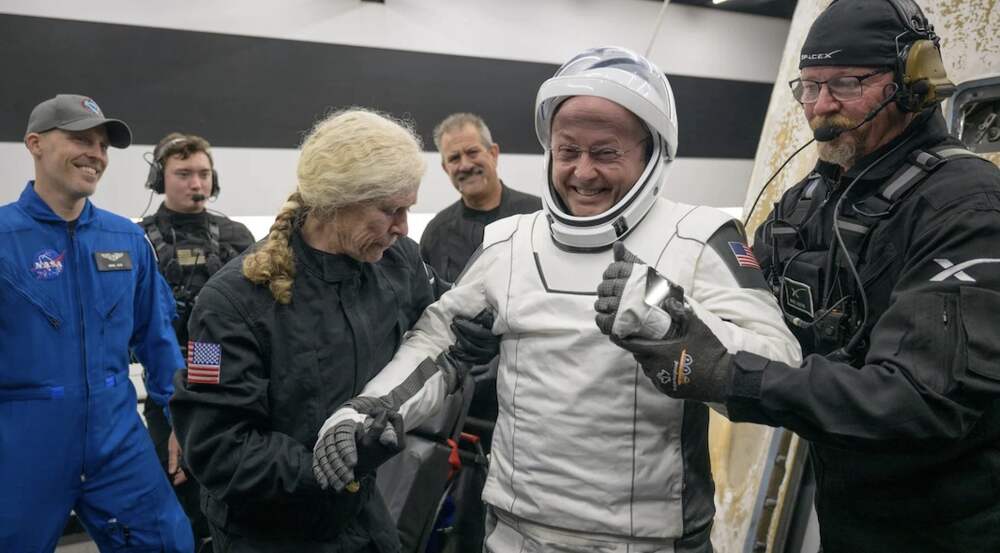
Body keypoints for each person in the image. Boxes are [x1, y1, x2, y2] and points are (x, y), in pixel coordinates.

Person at [315, 47, 800, 552]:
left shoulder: (699, 237)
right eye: (568, 152)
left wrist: (672, 315)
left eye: (606, 153)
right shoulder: (508, 242)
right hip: (516, 532)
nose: (583, 173)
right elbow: (438, 345)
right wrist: (364, 412)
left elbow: (781, 369)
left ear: (652, 154)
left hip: (651, 541)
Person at [594, 2, 1000, 552]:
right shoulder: (813, 197)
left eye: (846, 84)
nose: (821, 107)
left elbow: (916, 402)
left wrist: (732, 377)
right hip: (847, 513)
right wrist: (663, 300)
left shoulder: (966, 207)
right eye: (808, 87)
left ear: (912, 82)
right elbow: (745, 300)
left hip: (951, 528)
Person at [169, 108, 495, 553]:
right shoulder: (226, 305)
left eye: (407, 209)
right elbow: (217, 448)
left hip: (360, 512)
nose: (402, 227)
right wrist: (333, 464)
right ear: (335, 202)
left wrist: (472, 335)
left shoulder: (396, 262)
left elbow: (439, 327)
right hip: (270, 532)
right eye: (391, 210)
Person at [0, 94, 193, 551]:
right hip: (22, 442)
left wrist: (184, 421)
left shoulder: (126, 238)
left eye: (103, 145)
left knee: (168, 542)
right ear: (35, 144)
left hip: (117, 437)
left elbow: (159, 339)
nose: (96, 154)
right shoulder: (5, 238)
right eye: (80, 140)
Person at [139, 132, 254, 550]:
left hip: (234, 382)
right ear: (160, 179)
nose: (196, 183)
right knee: (179, 491)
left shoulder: (237, 236)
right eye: (183, 173)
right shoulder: (138, 240)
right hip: (166, 382)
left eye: (204, 174)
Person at [421, 113, 541, 284]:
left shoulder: (538, 216)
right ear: (445, 168)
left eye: (472, 152)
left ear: (493, 153)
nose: (465, 165)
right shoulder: (436, 233)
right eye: (454, 158)